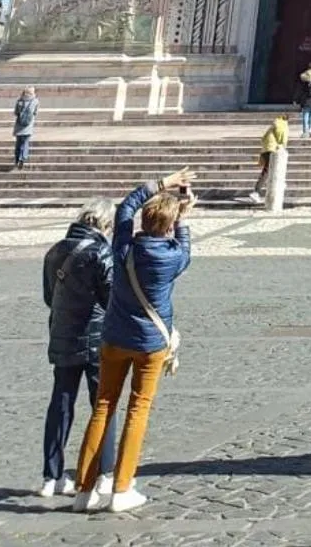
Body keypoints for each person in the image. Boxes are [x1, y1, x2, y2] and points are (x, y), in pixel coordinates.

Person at [73, 168, 195, 513]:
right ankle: (122, 488)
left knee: (103, 407)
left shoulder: (123, 247)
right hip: (150, 344)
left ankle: (84, 490)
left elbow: (126, 206)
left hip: (113, 337)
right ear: (170, 226)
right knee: (137, 410)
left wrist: (163, 183)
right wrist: (184, 217)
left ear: (144, 221)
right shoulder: (175, 257)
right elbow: (185, 244)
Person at [40, 200, 117, 499]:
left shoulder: (55, 251)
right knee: (103, 403)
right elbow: (111, 299)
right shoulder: (101, 252)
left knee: (61, 402)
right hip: (97, 337)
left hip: (63, 333)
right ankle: (105, 472)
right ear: (105, 225)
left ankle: (51, 475)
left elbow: (50, 297)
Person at [248, 113, 289, 204]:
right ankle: (256, 192)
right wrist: (283, 147)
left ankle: (277, 184)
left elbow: (263, 138)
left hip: (266, 149)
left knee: (268, 170)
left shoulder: (273, 124)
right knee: (268, 171)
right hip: (273, 149)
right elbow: (283, 138)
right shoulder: (283, 125)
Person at [13, 85, 38, 168]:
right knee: (25, 143)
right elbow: (35, 113)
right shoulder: (35, 101)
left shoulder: (19, 101)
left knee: (18, 143)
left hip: (19, 126)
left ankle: (17, 158)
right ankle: (22, 158)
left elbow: (16, 113)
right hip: (28, 126)